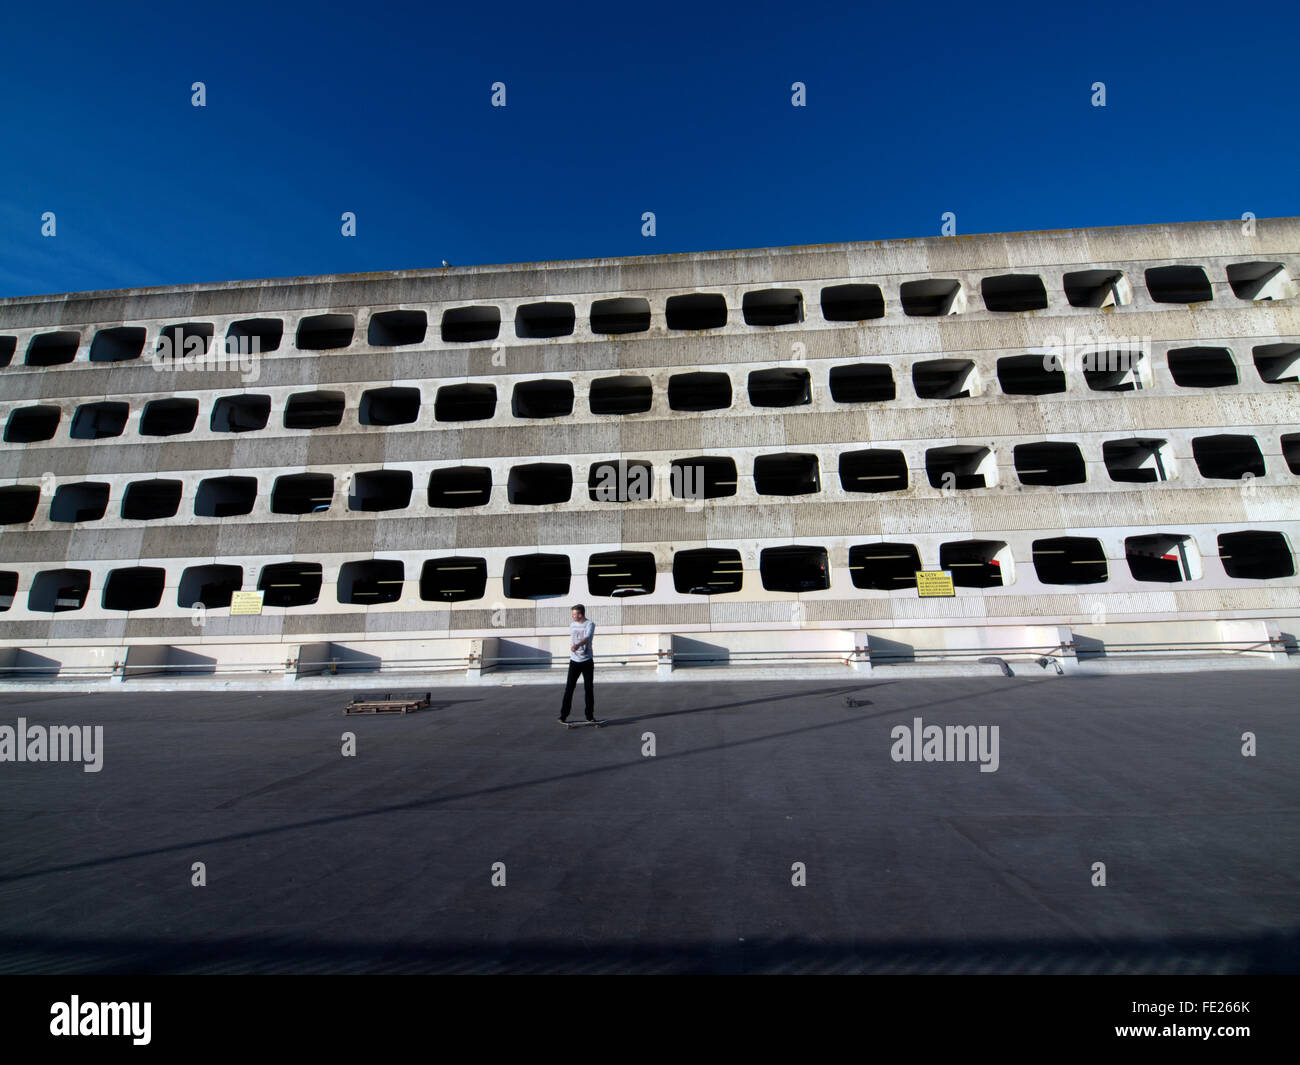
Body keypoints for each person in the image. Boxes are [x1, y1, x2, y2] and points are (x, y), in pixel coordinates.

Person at [558, 604, 599, 724]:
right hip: (574, 661)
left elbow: (587, 638)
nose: (573, 616)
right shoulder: (572, 625)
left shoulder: (590, 624)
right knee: (569, 688)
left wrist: (578, 645)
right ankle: (563, 715)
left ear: (580, 614)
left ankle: (589, 716)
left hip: (587, 661)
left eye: (574, 614)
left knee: (588, 689)